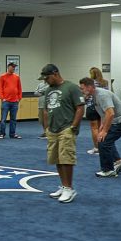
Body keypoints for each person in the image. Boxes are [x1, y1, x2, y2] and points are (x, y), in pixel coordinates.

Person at [41, 64, 84, 204]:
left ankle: (69, 188)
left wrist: (73, 126)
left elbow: (79, 108)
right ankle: (64, 185)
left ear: (55, 73)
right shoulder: (48, 90)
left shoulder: (71, 87)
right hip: (53, 129)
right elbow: (46, 110)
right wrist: (46, 128)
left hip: (66, 128)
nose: (45, 81)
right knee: (57, 159)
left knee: (66, 159)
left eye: (47, 77)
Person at [79, 77, 121, 178]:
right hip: (115, 121)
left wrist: (104, 131)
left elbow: (110, 113)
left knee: (103, 141)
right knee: (106, 140)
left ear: (89, 87)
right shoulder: (94, 95)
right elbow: (104, 114)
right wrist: (102, 127)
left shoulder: (102, 95)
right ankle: (119, 163)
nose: (81, 91)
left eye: (82, 88)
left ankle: (108, 170)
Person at [85, 66, 109, 155]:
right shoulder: (105, 82)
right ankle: (102, 147)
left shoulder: (91, 83)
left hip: (92, 106)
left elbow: (87, 95)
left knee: (94, 128)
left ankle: (96, 148)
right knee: (101, 128)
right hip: (101, 107)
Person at [0, 61, 23, 139]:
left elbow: (19, 88)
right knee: (3, 119)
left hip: (15, 101)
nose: (13, 68)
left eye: (14, 67)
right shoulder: (2, 77)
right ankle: (2, 133)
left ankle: (12, 134)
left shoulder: (17, 77)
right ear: (8, 67)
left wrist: (19, 98)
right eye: (12, 67)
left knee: (13, 119)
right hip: (6, 101)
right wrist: (2, 98)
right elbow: (0, 88)